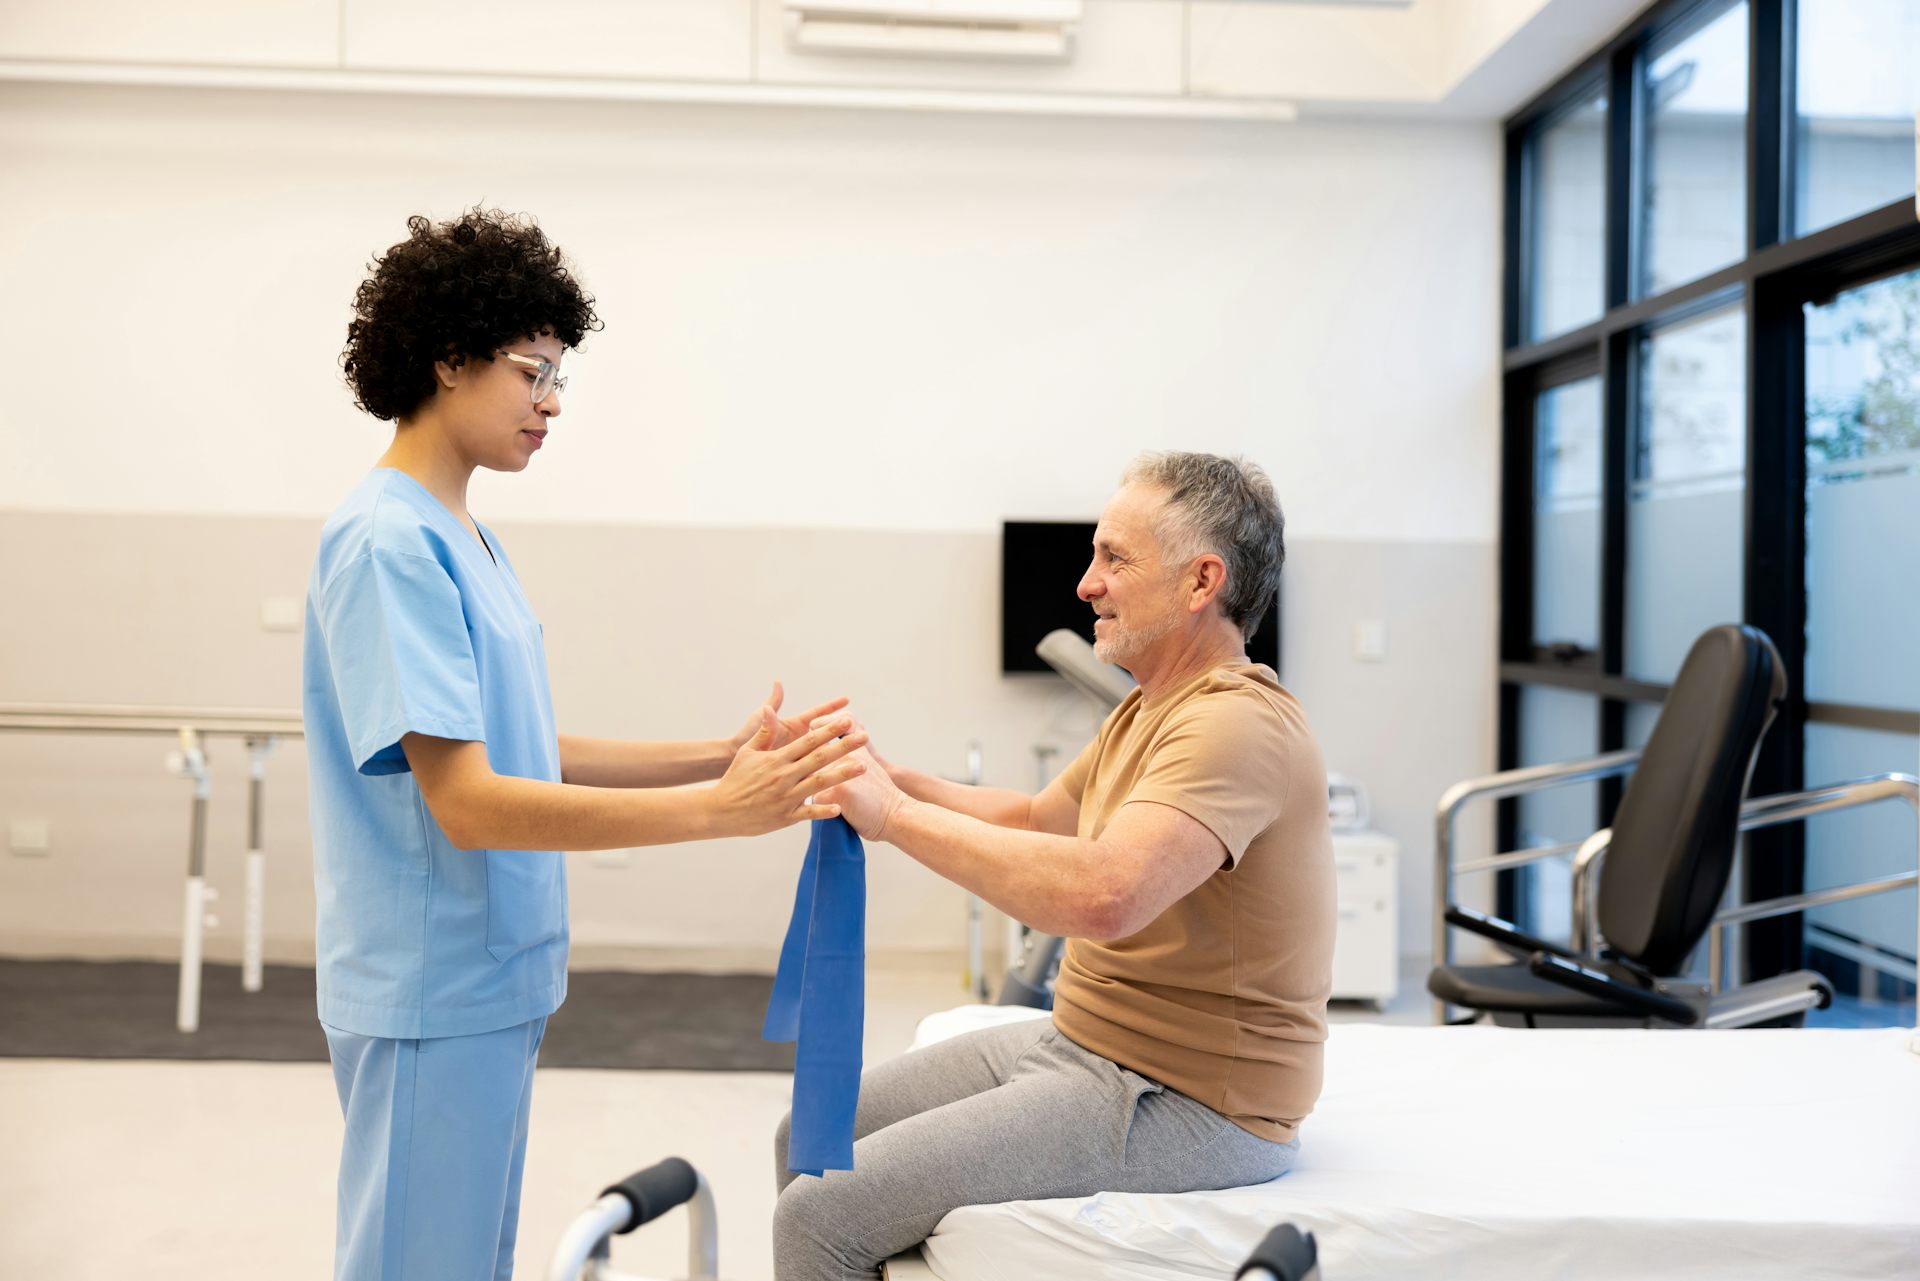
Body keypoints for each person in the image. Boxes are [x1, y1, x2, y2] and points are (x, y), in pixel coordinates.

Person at [305, 208, 867, 1281]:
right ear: (449, 358)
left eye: (561, 373)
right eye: (532, 371)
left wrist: (719, 754)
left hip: (491, 977)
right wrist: (721, 812)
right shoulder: (388, 541)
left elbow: (521, 745)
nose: (552, 401)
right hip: (432, 986)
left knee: (467, 1258)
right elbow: (468, 801)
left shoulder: (460, 531)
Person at [774, 451, 1334, 1281]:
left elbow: (1107, 893)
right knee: (808, 1131)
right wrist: (884, 774)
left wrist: (893, 817)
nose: (1086, 583)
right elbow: (1037, 818)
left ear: (1201, 580)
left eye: (1115, 558)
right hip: (1089, 1042)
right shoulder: (1151, 708)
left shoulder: (1235, 727)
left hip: (1191, 1097)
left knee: (818, 1220)